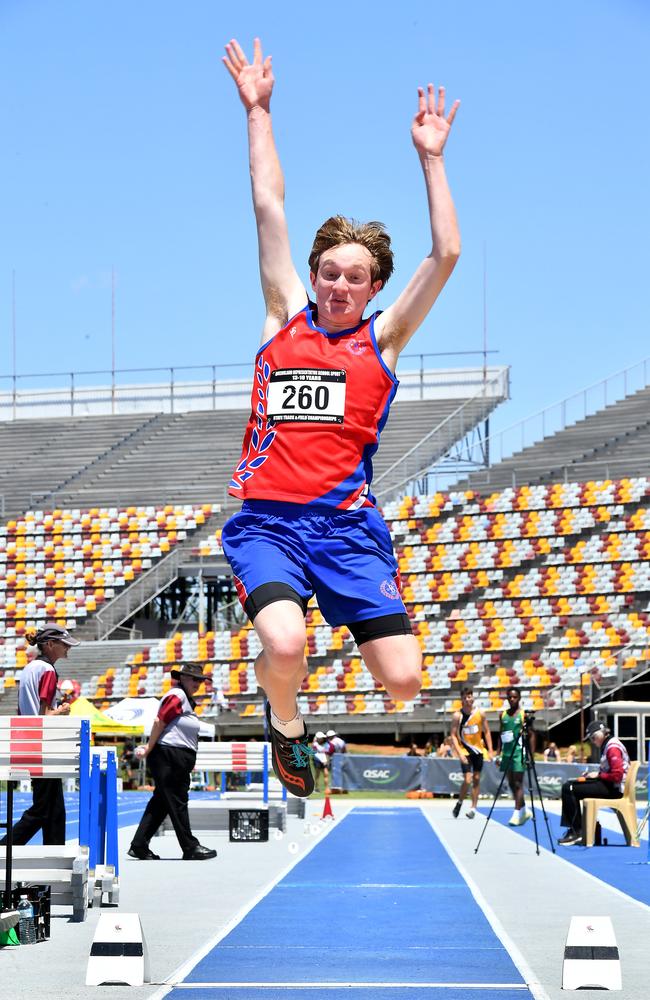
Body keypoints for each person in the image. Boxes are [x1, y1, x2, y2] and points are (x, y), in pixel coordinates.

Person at [221, 37, 460, 798]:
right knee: (284, 643)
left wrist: (431, 158)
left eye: (354, 277)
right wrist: (258, 112)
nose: (337, 285)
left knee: (402, 683)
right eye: (328, 271)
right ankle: (285, 721)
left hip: (347, 528)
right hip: (269, 524)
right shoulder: (281, 315)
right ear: (314, 274)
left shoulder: (383, 338)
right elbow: (269, 205)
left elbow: (446, 252)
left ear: (373, 285)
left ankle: (314, 678)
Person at [0, 624, 79, 847]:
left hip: (29, 739)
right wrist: (62, 711)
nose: (67, 649)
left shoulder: (30, 667)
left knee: (55, 808)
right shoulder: (47, 670)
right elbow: (45, 716)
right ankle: (5, 848)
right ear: (50, 644)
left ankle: (54, 857)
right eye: (64, 644)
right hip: (42, 743)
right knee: (43, 807)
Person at [128, 664, 217, 860]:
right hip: (168, 755)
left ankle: (139, 844)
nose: (198, 684)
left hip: (173, 756)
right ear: (182, 678)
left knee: (161, 803)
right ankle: (190, 847)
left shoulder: (183, 698)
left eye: (200, 680)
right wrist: (149, 748)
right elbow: (159, 721)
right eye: (194, 679)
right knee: (177, 801)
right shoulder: (177, 695)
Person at [557, 720, 630, 846]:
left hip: (614, 789)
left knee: (568, 788)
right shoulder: (609, 744)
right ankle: (576, 830)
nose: (592, 741)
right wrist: (594, 776)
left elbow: (617, 776)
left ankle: (576, 831)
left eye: (592, 738)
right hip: (610, 786)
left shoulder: (612, 748)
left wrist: (598, 775)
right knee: (570, 785)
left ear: (599, 735)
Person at [450, 687, 493, 819]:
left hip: (478, 750)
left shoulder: (481, 713)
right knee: (467, 779)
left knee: (476, 779)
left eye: (469, 696)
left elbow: (486, 731)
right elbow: (453, 735)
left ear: (472, 698)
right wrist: (459, 753)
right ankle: (459, 802)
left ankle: (473, 808)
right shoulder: (458, 716)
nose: (468, 699)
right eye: (465, 697)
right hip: (465, 750)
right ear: (461, 700)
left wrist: (490, 750)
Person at [498, 687, 534, 827]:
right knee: (512, 784)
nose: (512, 699)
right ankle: (524, 810)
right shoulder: (503, 715)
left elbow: (532, 735)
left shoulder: (523, 714)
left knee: (518, 783)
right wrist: (498, 753)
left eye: (515, 697)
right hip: (507, 753)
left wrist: (530, 755)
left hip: (519, 752)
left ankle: (516, 813)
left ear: (519, 698)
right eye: (510, 697)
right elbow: (501, 735)